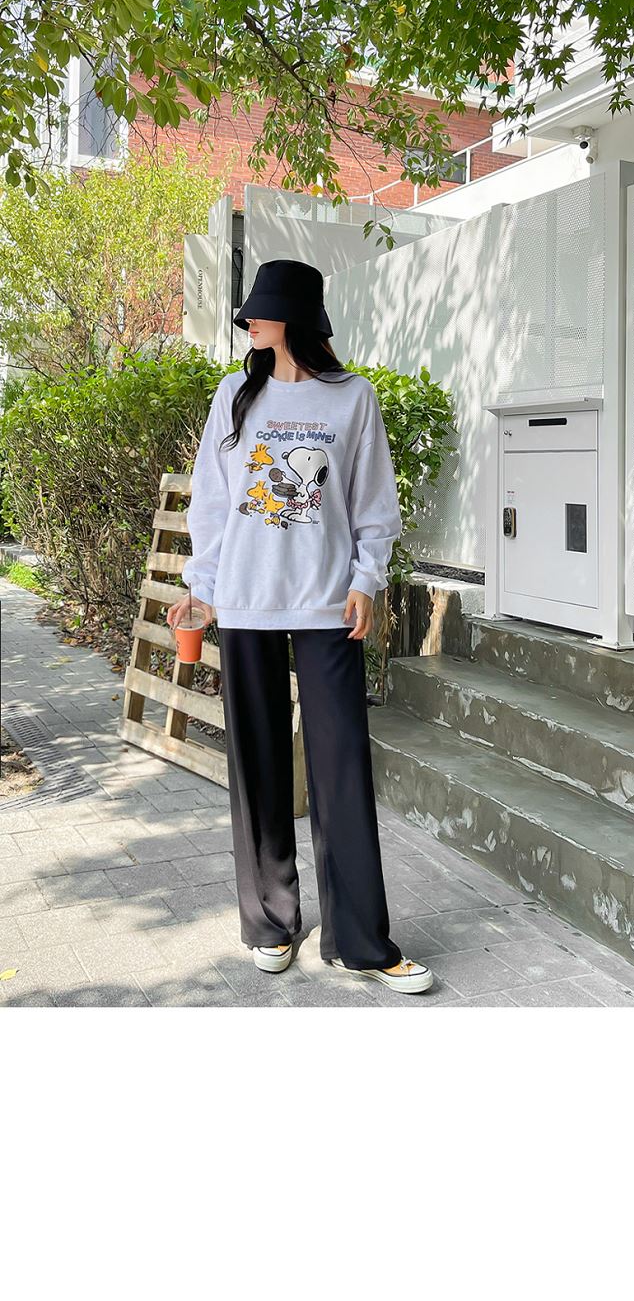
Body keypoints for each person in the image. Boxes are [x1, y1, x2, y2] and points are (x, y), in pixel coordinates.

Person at [168, 259, 433, 996]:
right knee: (256, 768)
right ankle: (271, 922)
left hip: (326, 606)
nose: (248, 321)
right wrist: (202, 591)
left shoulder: (353, 398)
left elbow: (373, 504)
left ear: (295, 318)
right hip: (246, 602)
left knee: (341, 769)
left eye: (260, 310)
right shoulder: (234, 394)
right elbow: (212, 505)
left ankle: (362, 942)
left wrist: (366, 581)